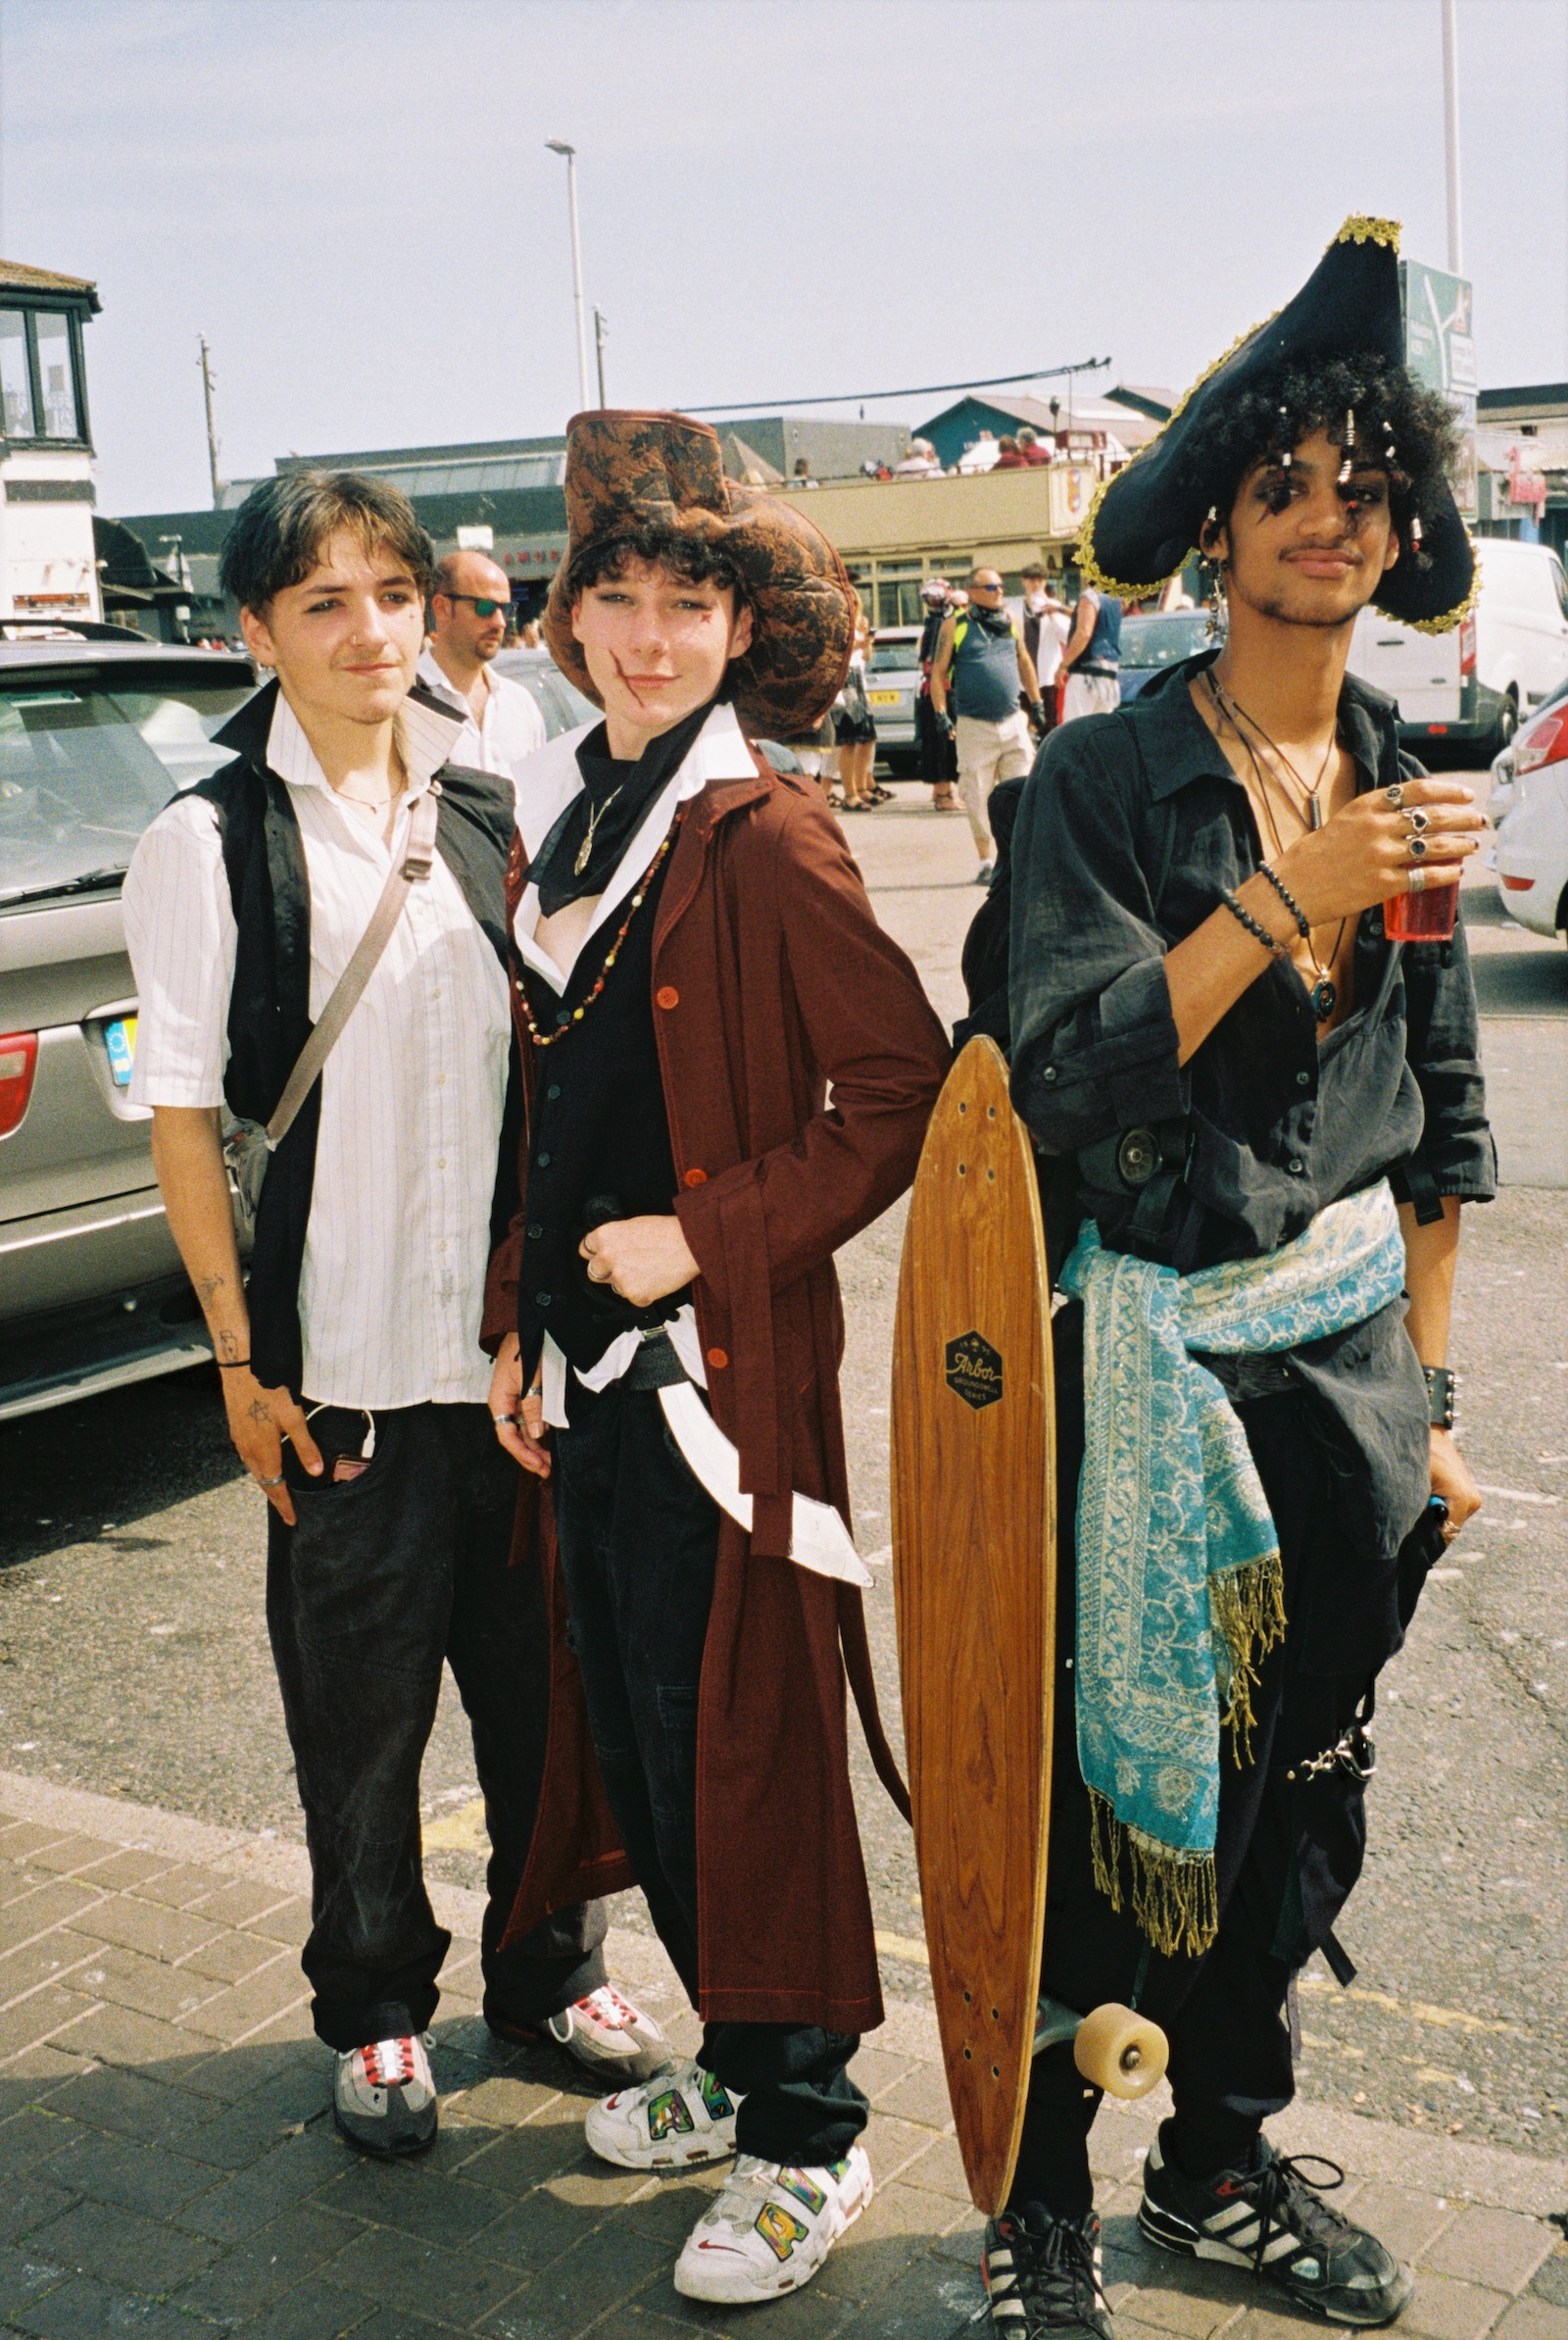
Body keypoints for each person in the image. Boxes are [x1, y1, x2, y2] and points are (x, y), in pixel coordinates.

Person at [972, 216, 1493, 2336]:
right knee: (1097, 1809)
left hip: (1348, 1375)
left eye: (1361, 494)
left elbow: (1445, 1127)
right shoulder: (1103, 775)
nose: (1323, 528)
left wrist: (1432, 1407)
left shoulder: (1401, 777)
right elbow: (1054, 1066)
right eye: (1280, 489)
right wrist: (1286, 893)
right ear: (1212, 523)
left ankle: (1212, 2157)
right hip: (1147, 1366)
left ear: (1403, 527)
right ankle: (1035, 2203)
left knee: (1295, 1805)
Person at [122, 473, 665, 2165]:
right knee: (358, 1735)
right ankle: (373, 2008)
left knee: (546, 1705)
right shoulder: (208, 841)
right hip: (340, 1379)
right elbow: (186, 1118)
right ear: (256, 633)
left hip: (506, 1374)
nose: (372, 631)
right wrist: (235, 1360)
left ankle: (546, 1969)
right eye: (325, 602)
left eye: (392, 591)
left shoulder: (501, 809)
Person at [483, 410, 952, 2307]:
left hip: (719, 1388)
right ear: (573, 617)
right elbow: (556, 1101)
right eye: (624, 597)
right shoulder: (575, 801)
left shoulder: (765, 828)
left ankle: (808, 2133)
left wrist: (710, 1234)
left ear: (740, 627)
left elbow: (899, 1087)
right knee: (650, 1748)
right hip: (591, 1376)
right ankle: (733, 2073)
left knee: (743, 1754)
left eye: (693, 601)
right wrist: (526, 1311)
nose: (655, 633)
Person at [929, 566, 1046, 883]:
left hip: (1012, 722)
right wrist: (941, 712)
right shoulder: (955, 626)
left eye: (1001, 587)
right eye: (993, 587)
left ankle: (1021, 859)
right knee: (977, 794)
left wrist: (1036, 704)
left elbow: (1024, 661)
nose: (1000, 592)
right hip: (974, 725)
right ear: (974, 592)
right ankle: (986, 861)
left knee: (1022, 792)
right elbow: (938, 673)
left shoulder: (1010, 622)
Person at [418, 547, 546, 778]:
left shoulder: (520, 704)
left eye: (506, 609)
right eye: (484, 607)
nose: (500, 622)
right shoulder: (408, 700)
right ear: (442, 608)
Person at [834, 594, 883, 811]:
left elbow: (867, 656)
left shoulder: (858, 624)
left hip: (859, 682)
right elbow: (837, 654)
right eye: (848, 601)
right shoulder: (836, 623)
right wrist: (858, 643)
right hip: (845, 682)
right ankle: (850, 793)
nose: (852, 606)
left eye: (854, 602)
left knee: (867, 738)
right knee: (849, 740)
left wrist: (866, 639)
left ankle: (862, 788)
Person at [916, 576, 959, 809]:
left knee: (936, 742)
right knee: (943, 743)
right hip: (941, 689)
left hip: (930, 689)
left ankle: (940, 791)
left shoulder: (930, 623)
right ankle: (943, 795)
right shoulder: (944, 623)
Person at [1057, 575, 1123, 721]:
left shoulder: (1089, 596)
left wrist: (1064, 665)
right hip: (1109, 675)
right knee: (1101, 733)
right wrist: (1060, 609)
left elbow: (1084, 633)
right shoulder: (1115, 599)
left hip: (1086, 674)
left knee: (1074, 731)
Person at [1018, 562, 1071, 734]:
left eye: (1039, 580)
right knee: (1024, 723)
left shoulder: (1054, 605)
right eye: (1030, 580)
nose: (1034, 584)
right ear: (1023, 582)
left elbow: (1067, 636)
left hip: (1048, 677)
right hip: (1022, 678)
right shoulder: (1015, 607)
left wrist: (1054, 615)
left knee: (1049, 724)